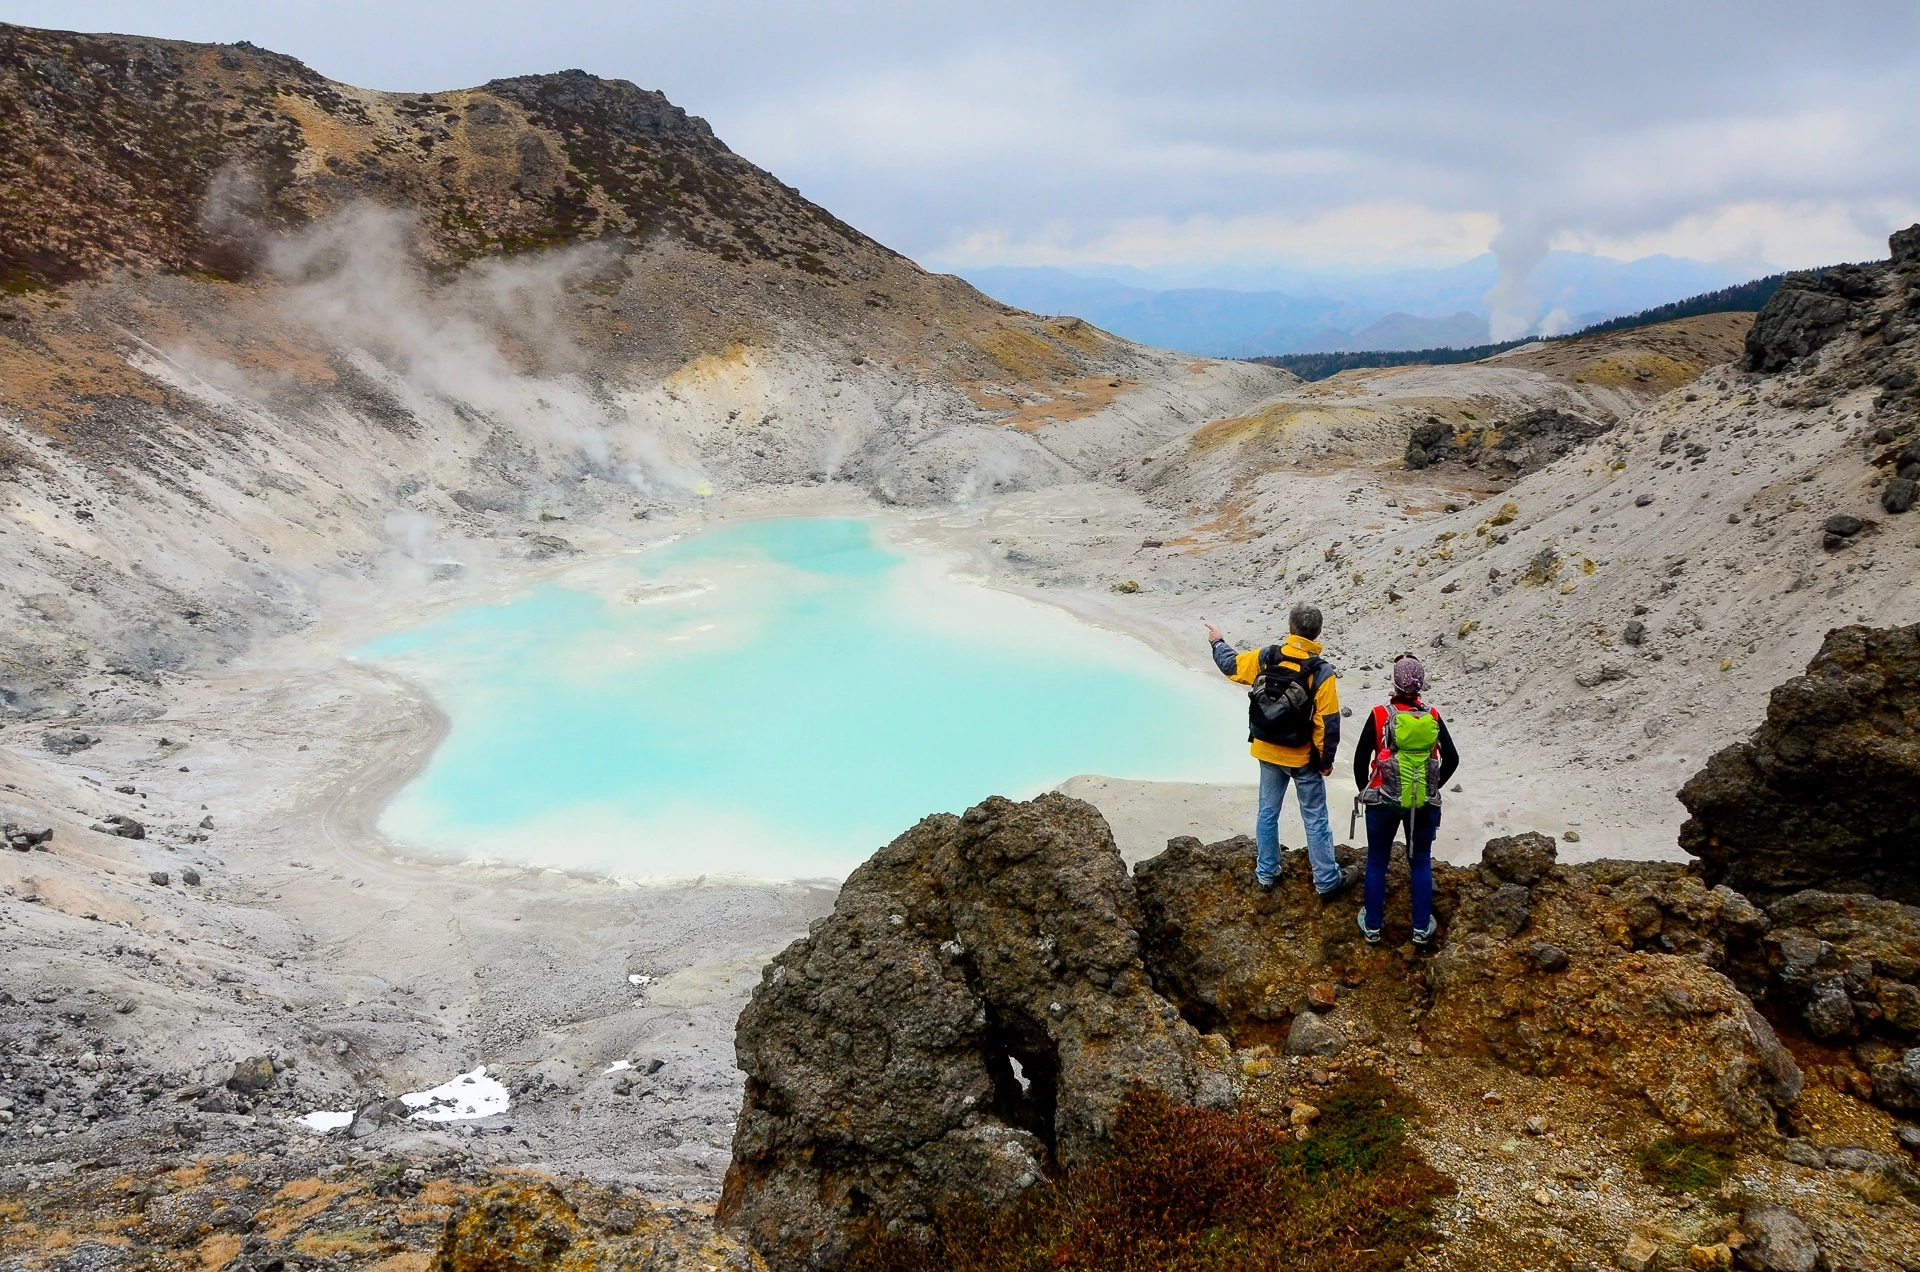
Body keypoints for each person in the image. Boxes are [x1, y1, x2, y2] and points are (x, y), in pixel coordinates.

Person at [1206, 604, 1356, 898]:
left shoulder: (1268, 657)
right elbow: (1327, 722)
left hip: (1267, 749)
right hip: (1302, 756)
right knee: (1314, 817)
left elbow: (1231, 666)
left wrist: (1217, 641)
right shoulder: (1321, 672)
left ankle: (1267, 872)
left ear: (1290, 628)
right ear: (1317, 633)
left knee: (1267, 813)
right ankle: (1326, 880)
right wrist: (1325, 761)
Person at [1351, 654, 1460, 947]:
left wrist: (1366, 790)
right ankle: (1421, 927)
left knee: (1376, 862)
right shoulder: (1432, 716)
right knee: (1420, 861)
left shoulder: (1379, 714)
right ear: (1420, 684)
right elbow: (1453, 758)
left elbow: (1361, 759)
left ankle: (1373, 926)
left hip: (1382, 802)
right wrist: (1433, 788)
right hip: (1422, 802)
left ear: (1394, 683)